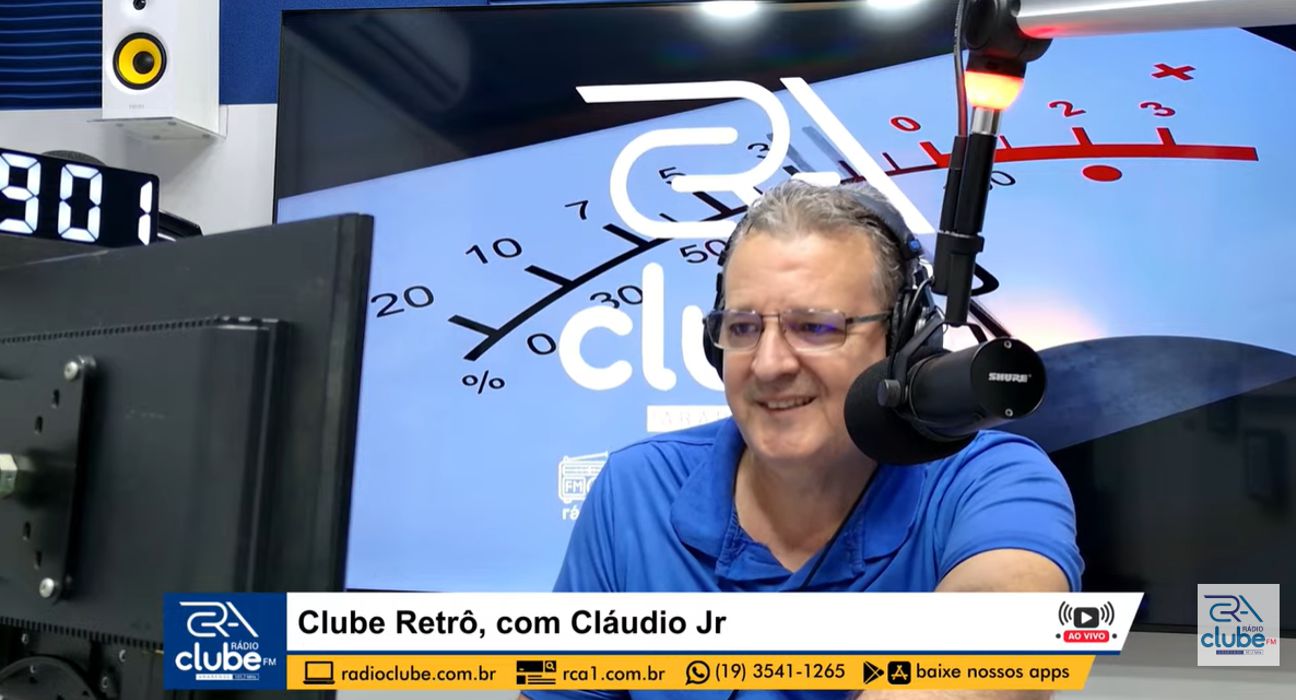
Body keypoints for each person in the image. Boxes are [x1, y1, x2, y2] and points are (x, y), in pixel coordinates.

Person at [523, 180, 1082, 700]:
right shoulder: (635, 489)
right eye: (743, 328)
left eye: (815, 327)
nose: (768, 365)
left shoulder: (989, 479)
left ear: (902, 341)